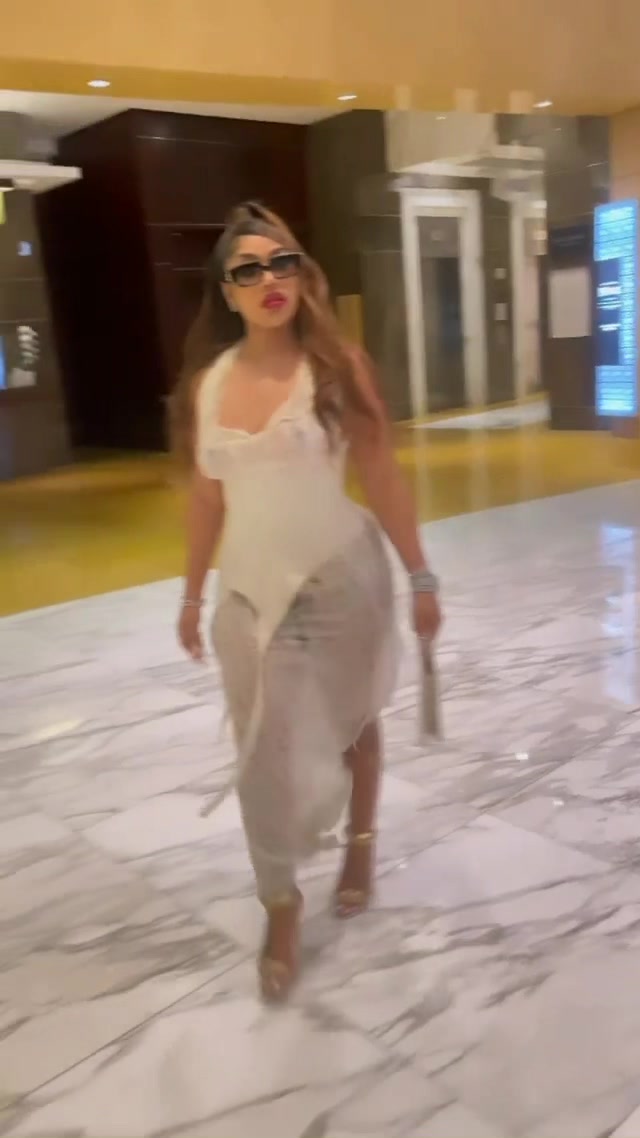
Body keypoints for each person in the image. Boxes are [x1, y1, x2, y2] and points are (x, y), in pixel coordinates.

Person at [171, 201, 441, 1002]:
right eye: (249, 269)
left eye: (282, 261)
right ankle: (279, 902)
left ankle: (361, 841)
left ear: (301, 273)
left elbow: (381, 472)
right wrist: (190, 593)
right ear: (227, 292)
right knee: (262, 751)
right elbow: (207, 499)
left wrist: (422, 575)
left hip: (341, 577)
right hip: (250, 597)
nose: (270, 279)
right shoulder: (207, 386)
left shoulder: (336, 368)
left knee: (353, 723)